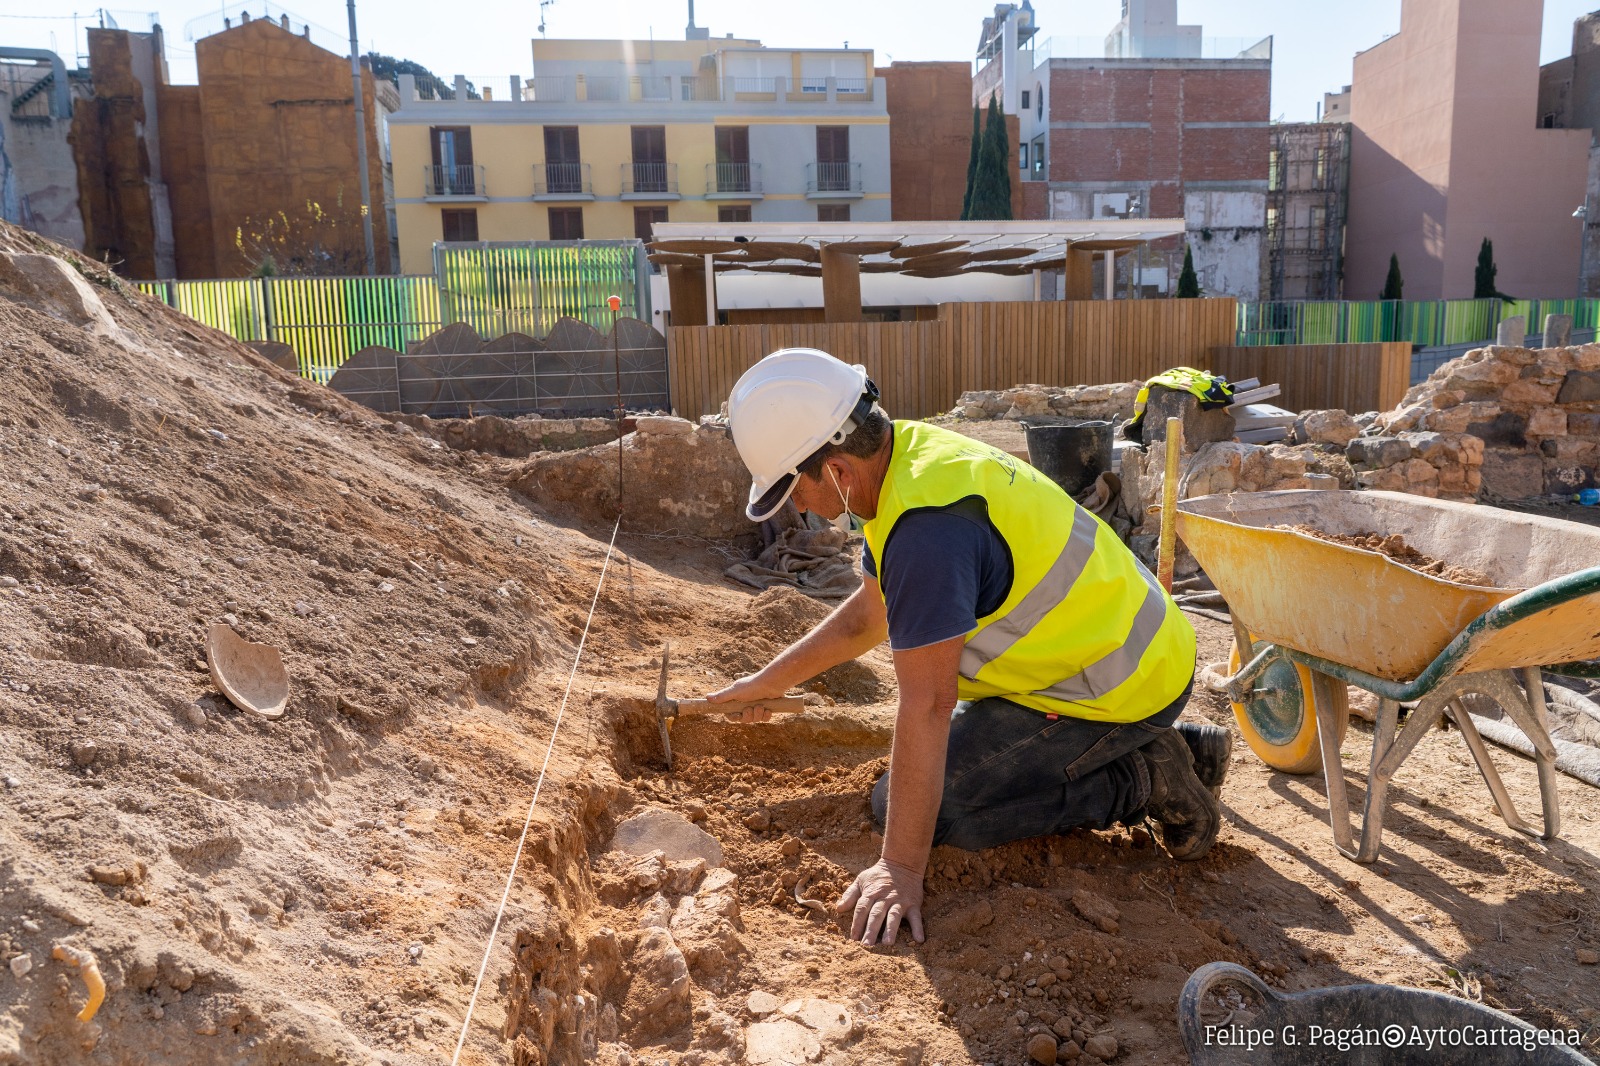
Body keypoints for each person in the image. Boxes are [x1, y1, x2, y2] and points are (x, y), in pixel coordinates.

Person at [708, 348, 1229, 948]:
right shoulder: (910, 461)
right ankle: (1175, 746)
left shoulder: (928, 531)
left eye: (792, 489)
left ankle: (1143, 776)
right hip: (1122, 654)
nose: (796, 507)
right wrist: (767, 683)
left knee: (929, 808)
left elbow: (927, 704)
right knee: (925, 776)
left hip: (1120, 683)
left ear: (837, 471)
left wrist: (900, 870)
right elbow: (869, 617)